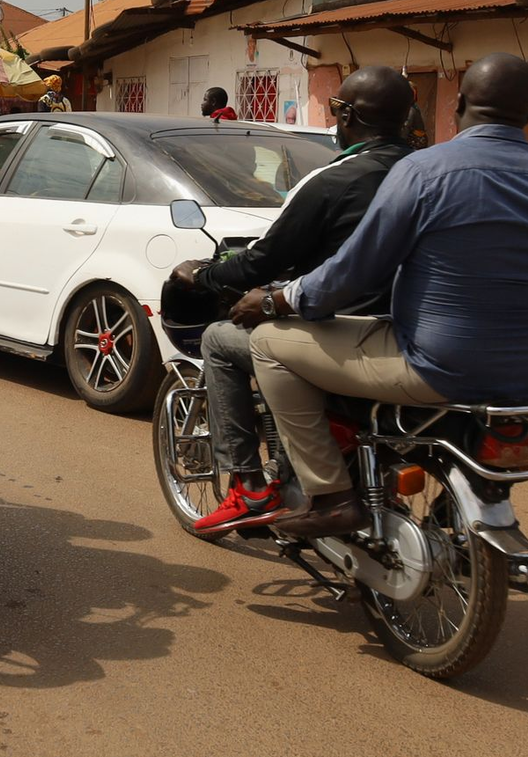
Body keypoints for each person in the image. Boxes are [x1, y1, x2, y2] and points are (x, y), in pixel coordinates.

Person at [238, 52, 528, 537]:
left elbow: (353, 270)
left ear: (458, 104)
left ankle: (330, 495)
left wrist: (275, 301)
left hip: (436, 366)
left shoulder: (426, 170)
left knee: (268, 343)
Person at [171, 66, 414, 535]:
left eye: (335, 109)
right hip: (420, 335)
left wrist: (204, 275)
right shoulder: (424, 172)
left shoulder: (333, 179)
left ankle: (249, 486)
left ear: (346, 116)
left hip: (350, 336)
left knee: (220, 339)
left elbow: (265, 261)